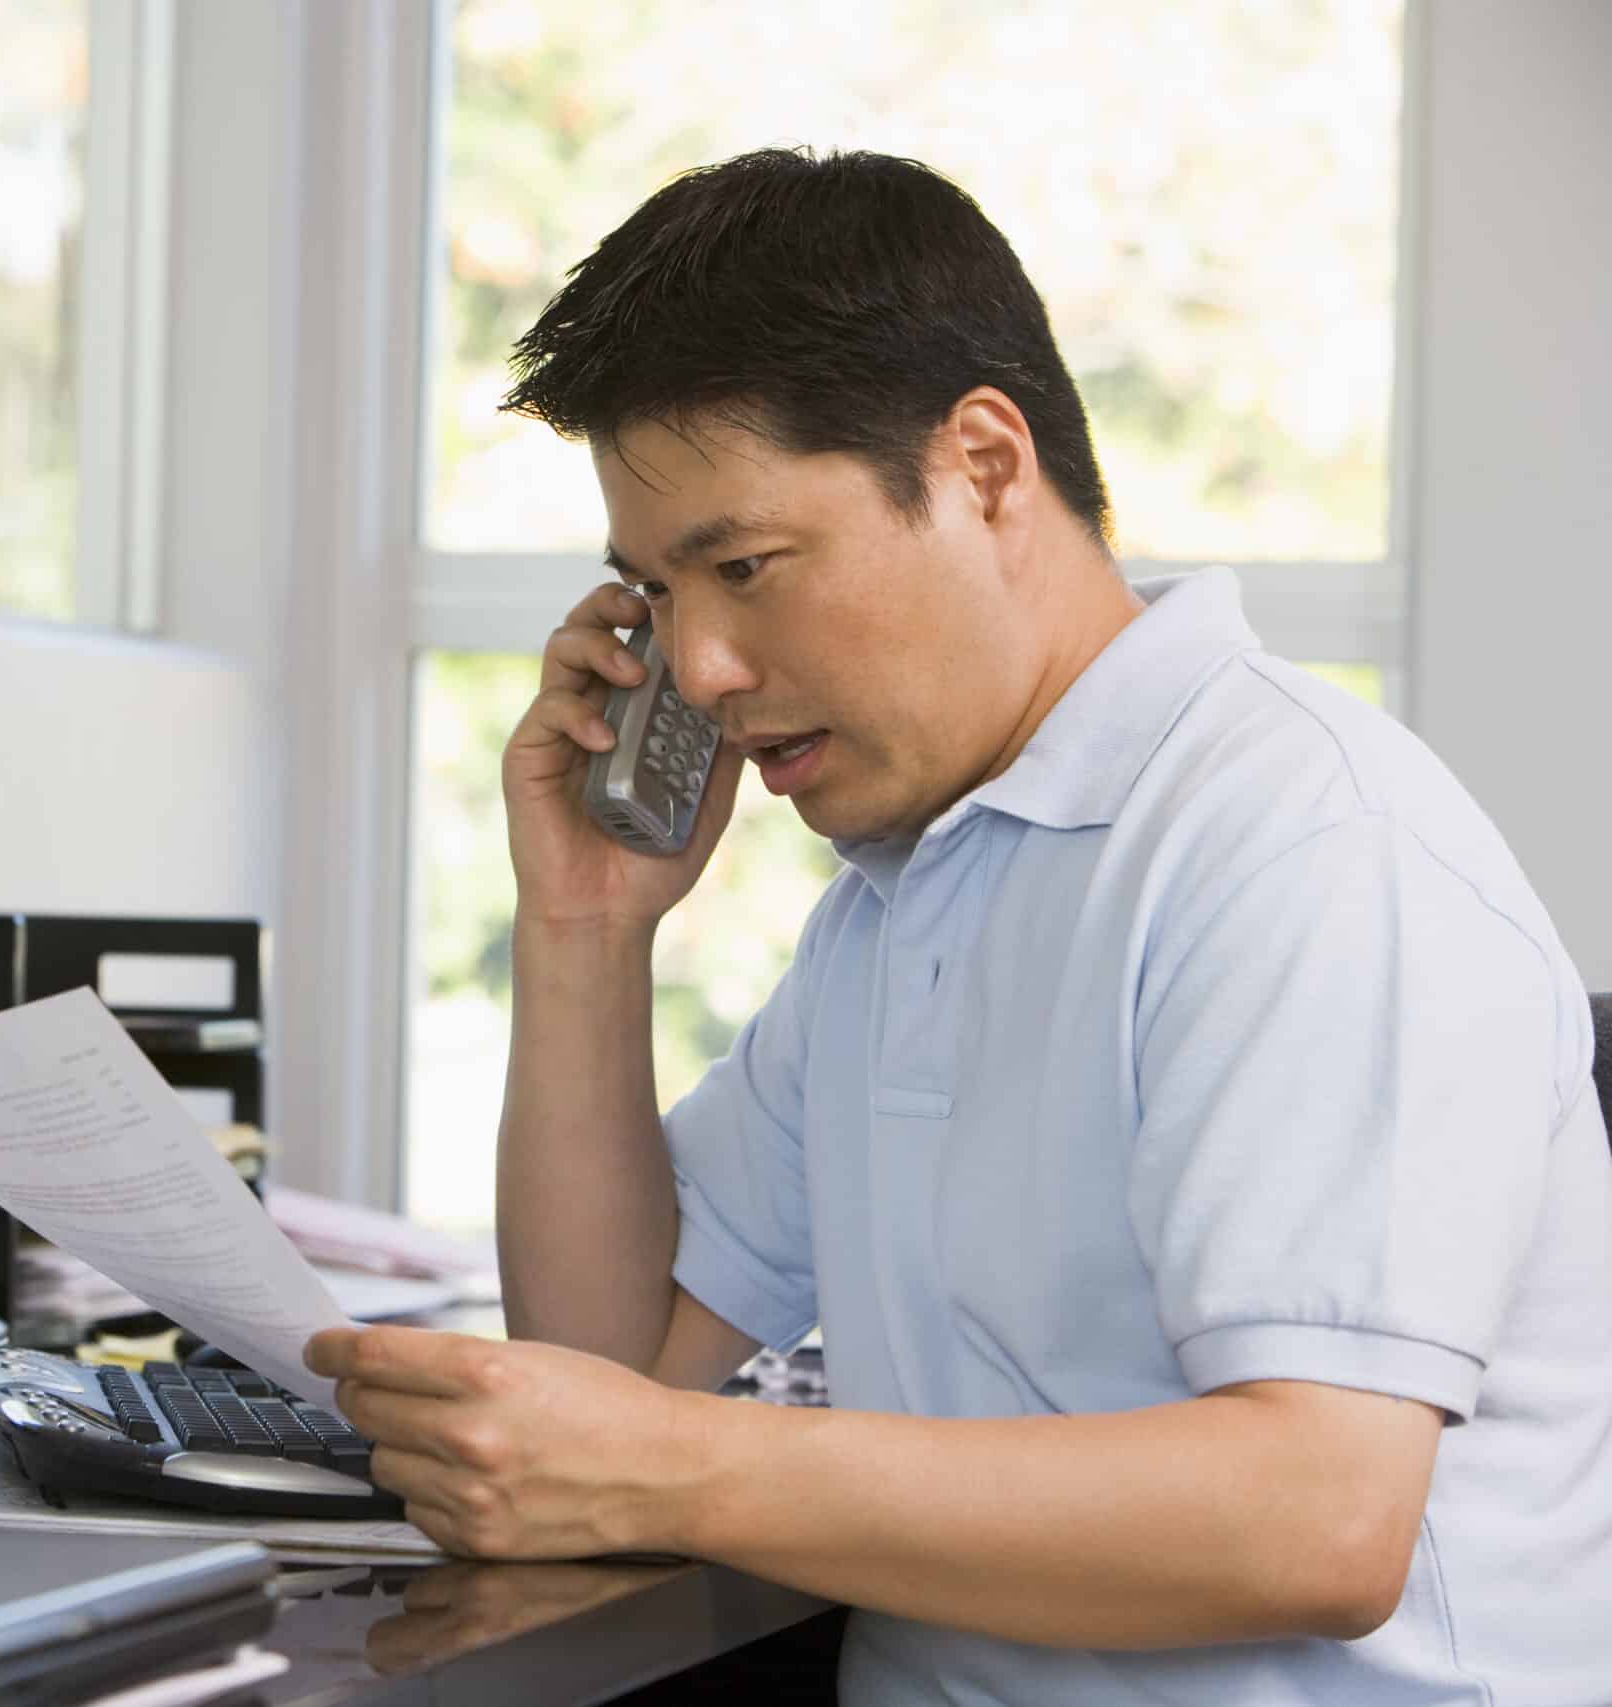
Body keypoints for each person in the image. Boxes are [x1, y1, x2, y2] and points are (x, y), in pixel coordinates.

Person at [305, 148, 1612, 1704]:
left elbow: (1319, 1519)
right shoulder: (906, 898)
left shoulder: (1307, 843)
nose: (703, 666)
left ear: (985, 466)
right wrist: (585, 932)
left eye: (744, 566)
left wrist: (687, 1471)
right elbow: (605, 1376)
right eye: (661, 594)